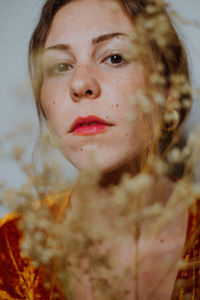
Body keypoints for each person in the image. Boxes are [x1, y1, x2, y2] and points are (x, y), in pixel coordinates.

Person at [0, 0, 197, 299]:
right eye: (61, 66)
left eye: (114, 57)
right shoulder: (11, 248)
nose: (80, 83)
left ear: (168, 94)